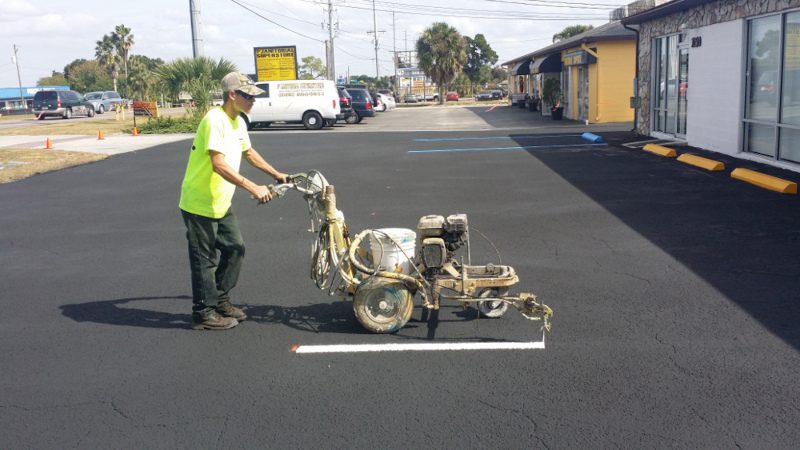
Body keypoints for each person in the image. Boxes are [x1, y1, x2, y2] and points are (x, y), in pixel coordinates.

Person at [179, 72, 288, 330]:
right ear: (232, 95)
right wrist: (252, 186)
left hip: (220, 201)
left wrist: (276, 174)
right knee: (205, 259)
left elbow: (248, 152)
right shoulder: (214, 120)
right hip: (199, 202)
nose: (253, 100)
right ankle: (203, 313)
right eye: (248, 96)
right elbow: (218, 164)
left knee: (235, 248)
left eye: (254, 96)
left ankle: (219, 300)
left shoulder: (238, 121)